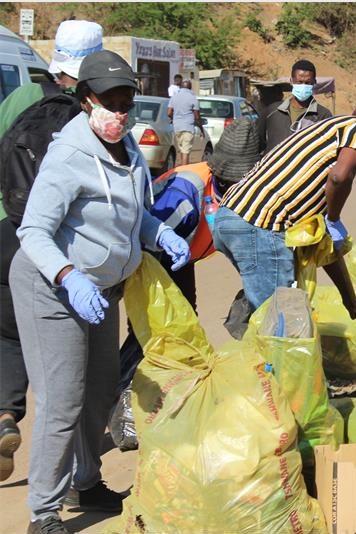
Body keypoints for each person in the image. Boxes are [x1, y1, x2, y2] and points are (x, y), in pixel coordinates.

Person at [10, 50, 189, 534]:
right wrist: (68, 276)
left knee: (99, 392)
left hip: (102, 288)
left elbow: (130, 212)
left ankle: (85, 482)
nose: (121, 113)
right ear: (86, 99)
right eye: (111, 102)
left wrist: (157, 232)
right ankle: (44, 512)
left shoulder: (125, 146)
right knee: (62, 400)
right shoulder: (68, 155)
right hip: (52, 287)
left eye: (127, 103)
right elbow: (33, 232)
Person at [0, 19, 103, 483]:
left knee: (7, 333)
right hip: (61, 242)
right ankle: (73, 474)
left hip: (6, 227)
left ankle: (6, 412)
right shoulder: (92, 107)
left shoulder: (21, 97)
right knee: (69, 361)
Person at [214, 95, 356, 317]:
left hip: (231, 216)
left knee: (266, 310)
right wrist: (334, 218)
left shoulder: (325, 135)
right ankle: (253, 328)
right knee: (281, 321)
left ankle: (248, 321)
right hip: (260, 224)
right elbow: (339, 177)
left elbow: (325, 247)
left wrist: (349, 299)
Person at [117, 118, 263, 392]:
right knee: (155, 331)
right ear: (223, 173)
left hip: (183, 254)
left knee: (185, 323)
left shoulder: (237, 193)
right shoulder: (184, 195)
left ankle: (169, 393)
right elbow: (149, 244)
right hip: (152, 255)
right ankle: (121, 395)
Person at [256, 59, 332, 153]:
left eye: (307, 83)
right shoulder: (272, 111)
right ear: (291, 81)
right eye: (299, 82)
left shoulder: (323, 115)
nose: (303, 86)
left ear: (314, 82)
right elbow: (258, 144)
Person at [167, 79, 201, 166]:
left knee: (182, 149)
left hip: (177, 127)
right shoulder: (193, 98)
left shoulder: (174, 97)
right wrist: (200, 127)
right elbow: (197, 116)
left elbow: (169, 113)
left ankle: (182, 168)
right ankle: (184, 170)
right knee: (186, 151)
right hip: (188, 127)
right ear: (190, 88)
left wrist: (174, 119)